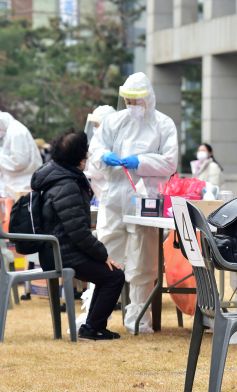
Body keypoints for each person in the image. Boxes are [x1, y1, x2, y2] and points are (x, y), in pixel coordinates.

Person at [88, 72, 178, 334]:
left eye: (137, 101)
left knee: (142, 261)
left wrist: (141, 161)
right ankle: (94, 318)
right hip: (114, 196)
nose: (132, 106)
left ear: (148, 99)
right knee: (104, 255)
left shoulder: (163, 124)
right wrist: (104, 155)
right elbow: (95, 149)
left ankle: (138, 322)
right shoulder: (114, 121)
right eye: (128, 101)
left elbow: (170, 162)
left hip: (144, 197)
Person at [32, 128, 125, 341]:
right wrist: (103, 255)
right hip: (64, 252)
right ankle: (92, 328)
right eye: (85, 153)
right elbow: (79, 233)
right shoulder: (68, 185)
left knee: (107, 274)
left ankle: (92, 326)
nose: (88, 157)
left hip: (55, 249)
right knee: (115, 275)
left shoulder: (55, 175)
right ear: (77, 157)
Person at [0, 109, 42, 198]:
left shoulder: (16, 132)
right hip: (19, 185)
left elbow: (20, 162)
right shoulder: (11, 132)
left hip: (23, 185)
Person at [84, 105, 116, 198]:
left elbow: (95, 171)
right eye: (94, 125)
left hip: (110, 196)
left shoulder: (112, 143)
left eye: (96, 125)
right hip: (101, 196)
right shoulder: (98, 142)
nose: (95, 129)